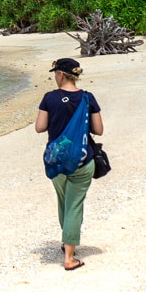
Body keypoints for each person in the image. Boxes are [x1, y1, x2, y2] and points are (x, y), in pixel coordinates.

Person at [34, 57, 103, 271]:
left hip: (57, 161)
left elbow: (39, 127)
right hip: (83, 160)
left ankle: (67, 245)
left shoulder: (49, 98)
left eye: (55, 73)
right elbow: (98, 130)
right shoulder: (87, 98)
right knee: (74, 205)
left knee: (64, 202)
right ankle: (70, 256)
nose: (54, 77)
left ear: (61, 74)